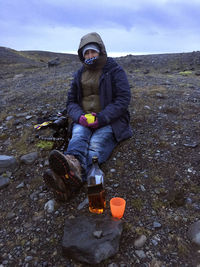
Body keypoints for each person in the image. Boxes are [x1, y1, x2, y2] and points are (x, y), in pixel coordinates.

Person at [43, 32, 132, 201]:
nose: (90, 56)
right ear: (82, 55)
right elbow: (71, 103)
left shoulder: (114, 69)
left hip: (109, 120)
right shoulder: (79, 74)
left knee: (96, 143)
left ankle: (68, 180)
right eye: (86, 53)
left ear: (100, 51)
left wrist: (102, 117)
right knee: (78, 137)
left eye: (93, 52)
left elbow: (123, 99)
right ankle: (72, 168)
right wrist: (80, 117)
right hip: (84, 118)